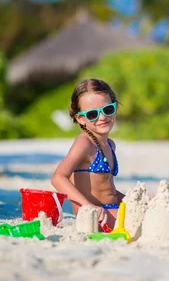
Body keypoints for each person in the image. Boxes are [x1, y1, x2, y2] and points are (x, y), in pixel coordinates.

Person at [52, 79, 124, 230]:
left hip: (111, 208)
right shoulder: (84, 143)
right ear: (80, 119)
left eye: (108, 110)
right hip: (95, 215)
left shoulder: (110, 145)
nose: (102, 117)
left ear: (115, 107)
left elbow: (106, 189)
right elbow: (58, 178)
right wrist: (88, 206)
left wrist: (132, 199)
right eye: (92, 114)